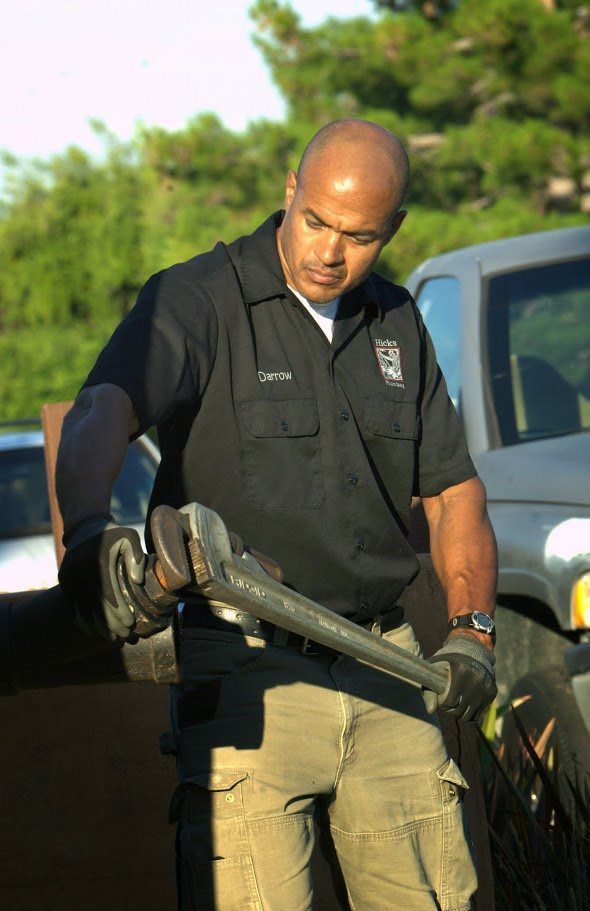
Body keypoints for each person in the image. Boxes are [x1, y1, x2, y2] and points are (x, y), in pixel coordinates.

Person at [56, 119, 498, 911]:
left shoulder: (398, 322)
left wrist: (473, 628)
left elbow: (453, 489)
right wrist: (89, 533)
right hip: (247, 669)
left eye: (358, 236)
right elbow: (102, 408)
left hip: (388, 663)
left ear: (392, 229)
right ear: (290, 192)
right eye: (317, 220)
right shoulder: (195, 300)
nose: (329, 251)